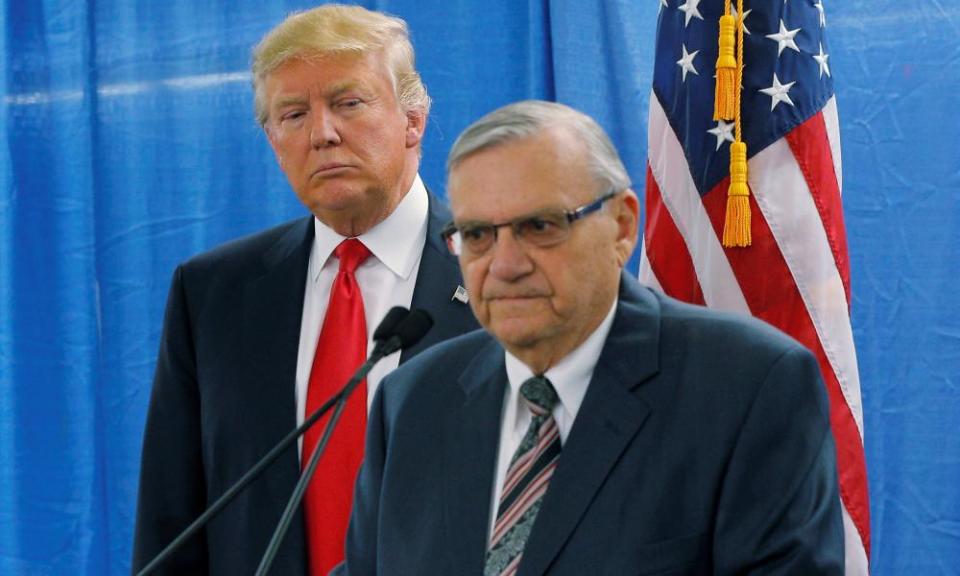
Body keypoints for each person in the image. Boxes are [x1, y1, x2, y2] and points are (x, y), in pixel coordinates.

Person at [339, 100, 845, 575]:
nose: (506, 265)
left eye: (540, 226)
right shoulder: (414, 399)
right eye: (477, 236)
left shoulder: (748, 387)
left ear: (622, 227)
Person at [132, 6, 477, 575]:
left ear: (413, 119)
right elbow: (172, 519)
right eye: (293, 114)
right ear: (273, 141)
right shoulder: (213, 293)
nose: (322, 133)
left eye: (348, 103)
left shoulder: (498, 276)